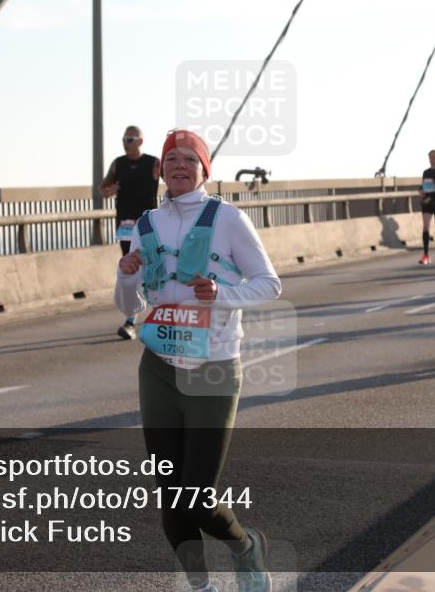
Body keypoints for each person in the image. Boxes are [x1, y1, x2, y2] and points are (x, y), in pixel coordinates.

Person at [115, 129, 281, 592]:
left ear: (205, 169)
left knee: (196, 499)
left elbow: (269, 284)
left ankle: (246, 546)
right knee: (170, 498)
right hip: (159, 368)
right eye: (172, 160)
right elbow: (127, 307)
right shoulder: (146, 225)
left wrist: (222, 295)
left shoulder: (227, 219)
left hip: (214, 370)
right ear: (160, 170)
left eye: (190, 159)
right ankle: (201, 587)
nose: (180, 166)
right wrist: (126, 275)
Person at [100, 125, 161, 340]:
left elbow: (173, 181)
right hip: (126, 225)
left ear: (140, 141)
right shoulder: (118, 164)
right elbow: (103, 189)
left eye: (131, 139)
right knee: (132, 269)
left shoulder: (154, 163)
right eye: (124, 139)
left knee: (153, 268)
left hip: (148, 225)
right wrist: (110, 191)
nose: (126, 143)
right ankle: (130, 321)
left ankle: (157, 312)